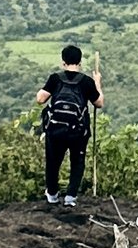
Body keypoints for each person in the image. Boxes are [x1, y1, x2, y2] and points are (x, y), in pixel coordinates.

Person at [34, 43, 101, 207]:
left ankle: (52, 195)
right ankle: (70, 197)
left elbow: (40, 99)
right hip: (78, 132)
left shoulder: (55, 78)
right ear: (80, 63)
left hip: (55, 130)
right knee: (77, 162)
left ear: (63, 62)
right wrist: (97, 82)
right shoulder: (86, 82)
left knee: (53, 162)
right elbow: (99, 103)